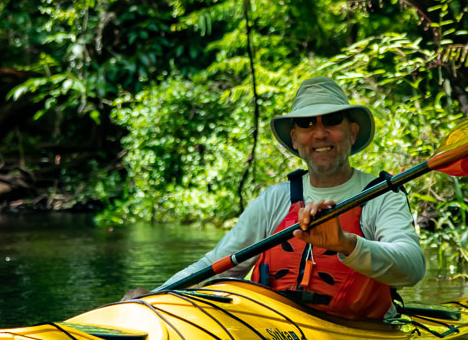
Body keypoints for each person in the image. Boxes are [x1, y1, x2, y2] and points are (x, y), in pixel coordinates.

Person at [124, 77, 425, 319]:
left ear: (352, 132)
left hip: (361, 331)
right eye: (307, 124)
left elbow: (412, 268)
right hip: (276, 330)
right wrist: (155, 298)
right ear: (295, 139)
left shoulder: (380, 195)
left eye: (332, 121)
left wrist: (347, 244)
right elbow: (216, 264)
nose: (320, 133)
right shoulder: (275, 199)